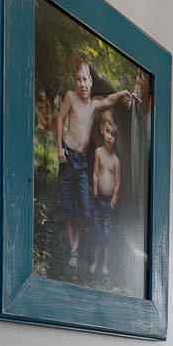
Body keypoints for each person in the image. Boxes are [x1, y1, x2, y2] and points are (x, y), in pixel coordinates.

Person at [53, 53, 129, 270]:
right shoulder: (70, 97)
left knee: (86, 212)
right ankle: (74, 252)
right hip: (67, 158)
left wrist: (122, 92)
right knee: (67, 209)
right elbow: (59, 119)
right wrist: (58, 147)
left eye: (85, 79)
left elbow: (108, 100)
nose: (82, 83)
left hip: (82, 163)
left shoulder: (93, 106)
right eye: (78, 79)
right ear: (74, 80)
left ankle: (75, 246)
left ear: (90, 80)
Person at [89, 112, 121, 280]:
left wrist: (114, 199)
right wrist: (94, 191)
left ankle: (106, 264)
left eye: (113, 135)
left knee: (107, 233)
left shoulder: (116, 160)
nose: (110, 137)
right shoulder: (98, 152)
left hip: (108, 203)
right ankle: (95, 261)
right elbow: (95, 173)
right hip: (98, 199)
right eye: (108, 132)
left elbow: (117, 183)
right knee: (97, 230)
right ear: (102, 131)